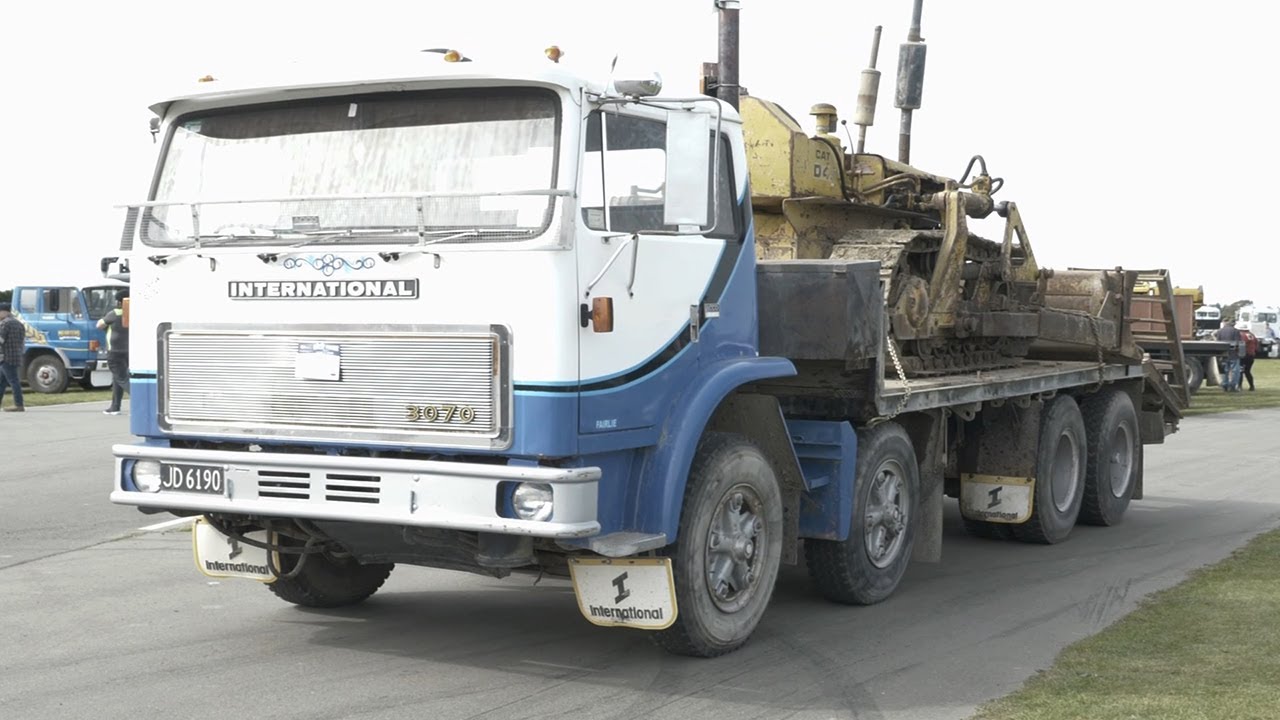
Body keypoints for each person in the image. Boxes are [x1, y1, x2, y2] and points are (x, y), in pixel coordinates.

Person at [96, 290, 130, 415]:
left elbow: (99, 325)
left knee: (121, 378)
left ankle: (139, 397)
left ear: (119, 301)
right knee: (117, 378)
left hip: (114, 351)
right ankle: (115, 406)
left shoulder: (114, 313)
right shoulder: (134, 314)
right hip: (128, 351)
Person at [0, 302, 26, 412]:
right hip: (16, 356)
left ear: (3, 311)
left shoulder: (4, 324)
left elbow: (1, 340)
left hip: (6, 357)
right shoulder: (19, 323)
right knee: (1, 381)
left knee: (13, 381)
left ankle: (19, 404)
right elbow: (23, 341)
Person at [1214, 318, 1243, 392]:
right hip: (1233, 353)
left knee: (1224, 370)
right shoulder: (1235, 331)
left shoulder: (1220, 331)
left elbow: (1217, 342)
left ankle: (1224, 385)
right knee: (1235, 371)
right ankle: (1233, 386)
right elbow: (1238, 343)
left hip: (1223, 354)